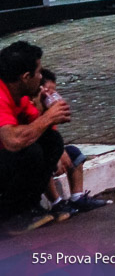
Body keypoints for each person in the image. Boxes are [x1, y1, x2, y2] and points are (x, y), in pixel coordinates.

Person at [0, 42, 72, 232]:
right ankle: (10, 215)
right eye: (38, 72)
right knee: (29, 150)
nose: (41, 77)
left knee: (51, 142)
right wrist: (48, 117)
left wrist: (46, 112)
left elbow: (37, 126)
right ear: (25, 77)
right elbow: (12, 141)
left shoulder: (19, 95)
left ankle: (27, 208)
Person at [35, 69, 109, 218]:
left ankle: (77, 197)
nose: (51, 96)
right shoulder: (31, 109)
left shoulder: (48, 113)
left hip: (47, 147)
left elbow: (53, 137)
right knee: (44, 161)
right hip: (34, 153)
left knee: (74, 154)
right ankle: (56, 202)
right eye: (47, 92)